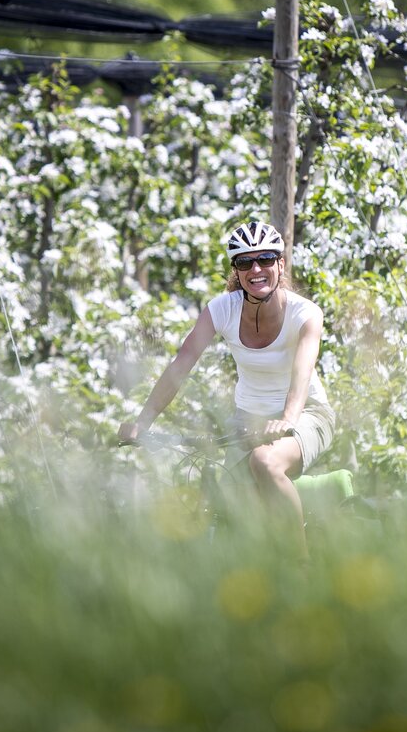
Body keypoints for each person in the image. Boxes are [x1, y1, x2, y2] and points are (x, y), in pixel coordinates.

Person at [118, 220, 335, 558]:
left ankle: (301, 566)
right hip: (248, 420)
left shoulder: (305, 314)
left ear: (280, 263)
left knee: (265, 462)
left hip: (306, 414)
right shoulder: (221, 310)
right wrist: (142, 422)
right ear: (236, 270)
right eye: (246, 262)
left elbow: (302, 371)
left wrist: (288, 419)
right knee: (223, 496)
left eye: (265, 258)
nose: (256, 269)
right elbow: (181, 364)